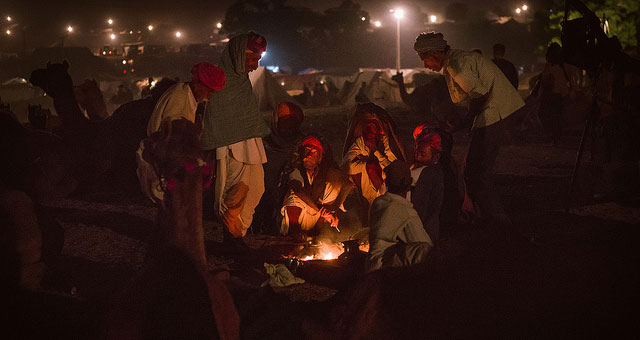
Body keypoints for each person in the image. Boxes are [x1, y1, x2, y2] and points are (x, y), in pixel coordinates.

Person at [413, 32, 524, 226]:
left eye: (426, 59)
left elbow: (480, 96)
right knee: (473, 170)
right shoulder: (454, 62)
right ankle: (486, 217)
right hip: (491, 114)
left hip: (495, 114)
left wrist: (463, 124)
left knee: (476, 173)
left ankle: (499, 223)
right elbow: (466, 100)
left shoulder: (457, 65)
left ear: (435, 53)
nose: (426, 66)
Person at [200, 32, 269, 241]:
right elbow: (216, 117)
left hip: (249, 142)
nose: (255, 66)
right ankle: (231, 237)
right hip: (231, 146)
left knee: (257, 187)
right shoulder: (221, 81)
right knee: (234, 191)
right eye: (252, 59)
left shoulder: (241, 81)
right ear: (240, 55)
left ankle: (240, 231)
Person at [137, 62, 225, 203]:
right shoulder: (179, 97)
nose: (211, 95)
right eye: (210, 90)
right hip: (161, 161)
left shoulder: (188, 96)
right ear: (198, 84)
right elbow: (173, 138)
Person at [367, 160, 433, 272]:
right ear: (409, 184)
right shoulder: (405, 211)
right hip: (383, 268)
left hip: (371, 263)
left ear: (386, 182)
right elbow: (424, 244)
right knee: (426, 250)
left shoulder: (377, 203)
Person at [280, 136, 352, 237]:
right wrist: (320, 210)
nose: (309, 155)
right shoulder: (296, 171)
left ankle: (315, 234)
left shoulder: (323, 173)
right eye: (307, 150)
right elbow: (298, 190)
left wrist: (333, 210)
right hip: (299, 218)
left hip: (314, 218)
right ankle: (294, 233)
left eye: (314, 152)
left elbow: (348, 184)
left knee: (332, 190)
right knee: (294, 196)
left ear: (319, 158)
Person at [252, 102, 305, 234]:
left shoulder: (306, 145)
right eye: (283, 119)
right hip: (265, 203)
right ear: (275, 121)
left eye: (292, 119)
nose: (288, 124)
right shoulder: (263, 146)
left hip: (300, 203)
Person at [342, 103, 405, 205]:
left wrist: (376, 152)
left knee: (372, 168)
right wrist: (365, 164)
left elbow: (393, 169)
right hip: (365, 186)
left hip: (385, 183)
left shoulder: (385, 142)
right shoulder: (361, 142)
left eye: (374, 126)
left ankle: (386, 201)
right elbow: (345, 166)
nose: (371, 131)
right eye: (368, 127)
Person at [408, 125, 444, 241]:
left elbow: (420, 209)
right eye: (417, 152)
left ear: (435, 157)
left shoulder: (427, 175)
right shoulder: (434, 171)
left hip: (420, 234)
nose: (418, 157)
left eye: (422, 154)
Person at [539, 42, 571, 146]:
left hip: (551, 95)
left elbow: (545, 79)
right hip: (560, 95)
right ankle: (556, 139)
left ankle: (553, 138)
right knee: (557, 118)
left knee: (548, 116)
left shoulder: (550, 66)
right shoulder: (562, 66)